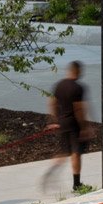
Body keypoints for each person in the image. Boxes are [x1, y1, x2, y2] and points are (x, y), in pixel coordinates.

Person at [42, 60, 92, 193]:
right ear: (77, 71)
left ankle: (51, 170)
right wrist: (84, 127)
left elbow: (51, 103)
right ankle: (77, 184)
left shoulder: (59, 85)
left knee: (64, 152)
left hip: (62, 123)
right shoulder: (78, 87)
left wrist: (55, 119)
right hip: (74, 124)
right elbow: (79, 109)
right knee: (76, 153)